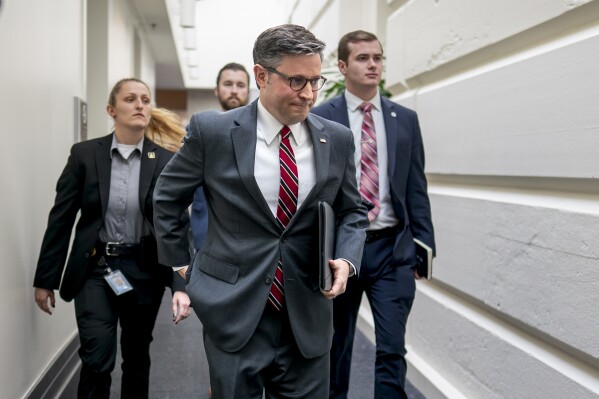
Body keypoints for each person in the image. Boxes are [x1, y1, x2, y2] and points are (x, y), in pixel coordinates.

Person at [153, 24, 369, 398]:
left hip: (308, 314)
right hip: (233, 312)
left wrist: (347, 261)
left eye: (316, 81)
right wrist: (186, 268)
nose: (309, 95)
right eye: (297, 81)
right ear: (261, 75)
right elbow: (167, 199)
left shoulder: (336, 139)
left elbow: (352, 211)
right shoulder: (214, 132)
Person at [33, 78, 191, 399]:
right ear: (111, 110)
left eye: (145, 100)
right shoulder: (85, 155)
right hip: (96, 268)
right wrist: (45, 279)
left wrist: (179, 285)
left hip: (144, 270)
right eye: (130, 99)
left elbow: (176, 227)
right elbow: (61, 219)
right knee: (96, 359)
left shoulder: (164, 161)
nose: (139, 105)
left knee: (136, 357)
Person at [312, 30, 436, 399]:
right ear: (342, 66)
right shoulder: (321, 117)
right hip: (341, 251)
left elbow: (416, 185)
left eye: (377, 58)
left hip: (393, 250)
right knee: (337, 347)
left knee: (392, 350)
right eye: (363, 58)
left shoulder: (405, 119)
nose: (372, 65)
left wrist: (424, 246)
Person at [191, 62, 251, 251]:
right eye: (228, 84)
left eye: (240, 85)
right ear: (216, 90)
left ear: (248, 91)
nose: (234, 90)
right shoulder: (198, 130)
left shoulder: (262, 132)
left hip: (250, 233)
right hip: (205, 229)